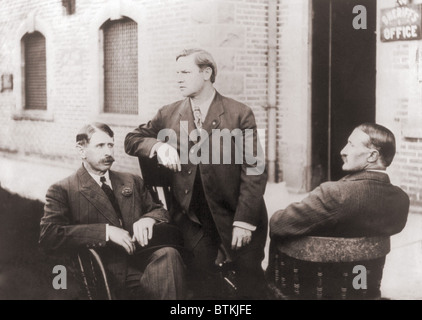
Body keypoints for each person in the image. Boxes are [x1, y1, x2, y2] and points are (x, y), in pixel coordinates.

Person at [124, 48, 268, 299]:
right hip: (192, 219)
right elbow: (132, 139)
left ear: (206, 73)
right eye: (176, 72)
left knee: (249, 283)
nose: (178, 78)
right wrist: (157, 146)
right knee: (201, 282)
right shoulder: (168, 113)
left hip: (234, 214)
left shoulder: (239, 114)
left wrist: (244, 221)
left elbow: (254, 170)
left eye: (185, 72)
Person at [39, 122, 186, 300]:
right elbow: (50, 235)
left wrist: (149, 219)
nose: (108, 152)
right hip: (104, 271)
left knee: (169, 254)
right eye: (100, 146)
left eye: (110, 145)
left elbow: (158, 210)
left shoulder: (131, 180)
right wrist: (105, 232)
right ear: (81, 150)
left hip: (142, 258)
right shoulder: (63, 189)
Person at [270, 122, 410, 239]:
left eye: (351, 145)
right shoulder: (401, 200)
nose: (343, 151)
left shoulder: (335, 194)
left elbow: (279, 225)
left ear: (373, 156)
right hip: (366, 272)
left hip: (323, 271)